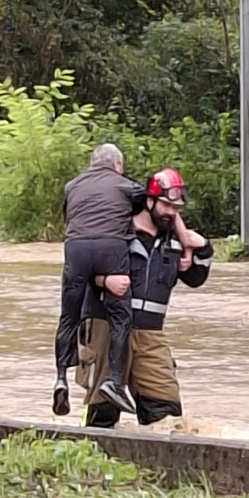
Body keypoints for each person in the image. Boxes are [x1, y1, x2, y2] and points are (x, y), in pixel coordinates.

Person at [74, 168, 214, 428]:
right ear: (149, 201)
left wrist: (203, 247)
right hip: (106, 328)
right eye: (166, 205)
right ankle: (94, 463)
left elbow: (196, 278)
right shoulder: (115, 231)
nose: (171, 213)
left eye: (176, 208)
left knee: (168, 415)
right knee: (103, 412)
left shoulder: (176, 242)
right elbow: (80, 268)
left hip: (150, 335)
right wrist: (105, 280)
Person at [53, 143, 146, 417]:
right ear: (117, 164)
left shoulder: (72, 186)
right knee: (120, 316)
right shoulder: (125, 185)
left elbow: (68, 217)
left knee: (68, 316)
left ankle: (60, 378)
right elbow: (141, 206)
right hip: (111, 247)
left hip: (76, 248)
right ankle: (114, 381)